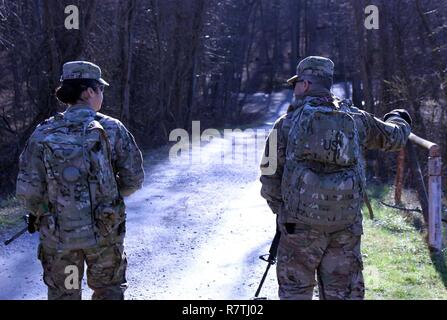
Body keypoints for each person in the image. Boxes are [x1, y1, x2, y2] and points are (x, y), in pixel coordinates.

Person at [260, 56, 412, 300]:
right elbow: (394, 138)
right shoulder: (356, 118)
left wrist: (286, 213)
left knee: (295, 291)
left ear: (306, 85)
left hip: (297, 226)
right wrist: (399, 119)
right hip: (345, 226)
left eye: (296, 83)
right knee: (341, 293)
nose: (294, 88)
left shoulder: (286, 124)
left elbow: (269, 177)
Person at [16, 61, 144, 300]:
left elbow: (27, 190)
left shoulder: (43, 132)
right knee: (108, 292)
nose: (102, 95)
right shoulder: (112, 128)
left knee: (64, 294)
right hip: (104, 232)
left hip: (59, 237)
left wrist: (46, 209)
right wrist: (108, 199)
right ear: (88, 92)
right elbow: (133, 179)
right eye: (101, 89)